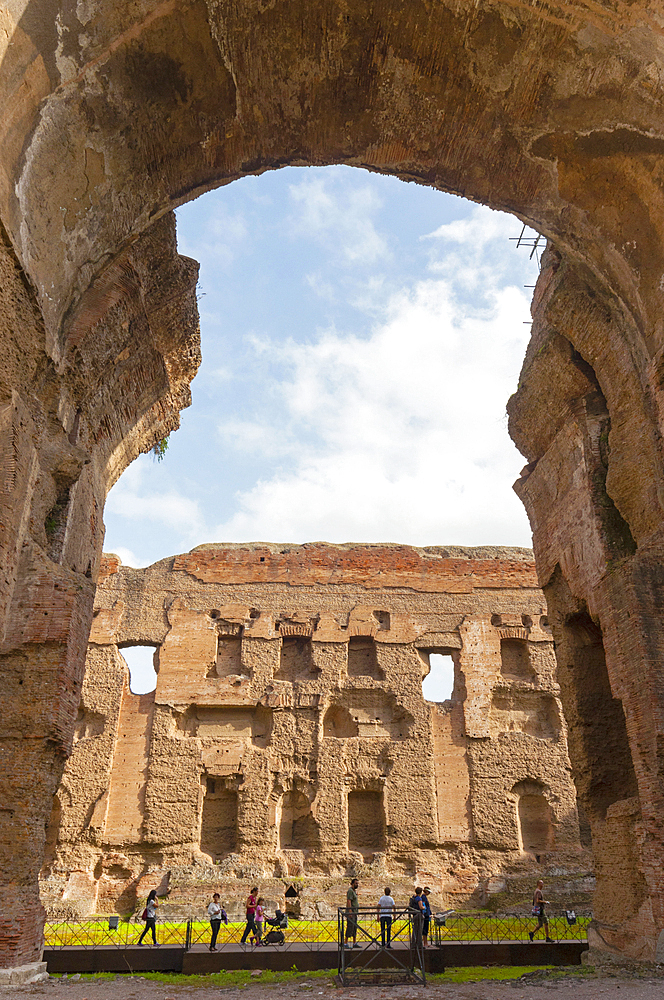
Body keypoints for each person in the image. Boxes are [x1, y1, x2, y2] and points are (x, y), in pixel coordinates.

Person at [529, 879, 555, 943]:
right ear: (538, 884)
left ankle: (532, 933)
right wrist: (545, 902)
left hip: (537, 908)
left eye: (543, 883)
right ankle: (547, 937)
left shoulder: (536, 891)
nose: (542, 884)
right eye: (541, 883)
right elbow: (538, 900)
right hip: (540, 909)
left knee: (540, 923)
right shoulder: (538, 892)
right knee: (546, 922)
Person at [344, 878, 360, 948]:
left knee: (354, 928)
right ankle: (345, 943)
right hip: (352, 912)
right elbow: (349, 901)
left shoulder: (354, 891)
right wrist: (350, 911)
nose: (357, 885)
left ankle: (354, 942)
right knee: (350, 927)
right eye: (356, 883)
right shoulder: (350, 891)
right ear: (352, 884)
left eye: (357, 883)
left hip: (355, 912)